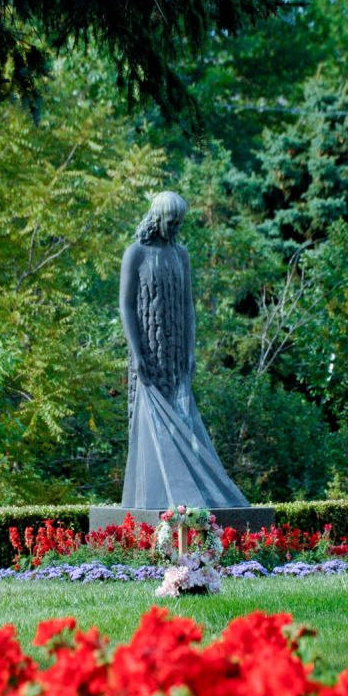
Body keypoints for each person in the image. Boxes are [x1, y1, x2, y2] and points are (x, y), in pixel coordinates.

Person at [118, 191, 248, 510]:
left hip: (175, 360)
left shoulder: (181, 255)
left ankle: (182, 502)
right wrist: (136, 354)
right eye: (170, 221)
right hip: (148, 357)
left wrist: (190, 352)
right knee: (150, 427)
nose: (175, 227)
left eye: (179, 222)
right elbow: (126, 305)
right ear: (156, 217)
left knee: (181, 424)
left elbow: (189, 307)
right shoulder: (136, 254)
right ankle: (152, 502)